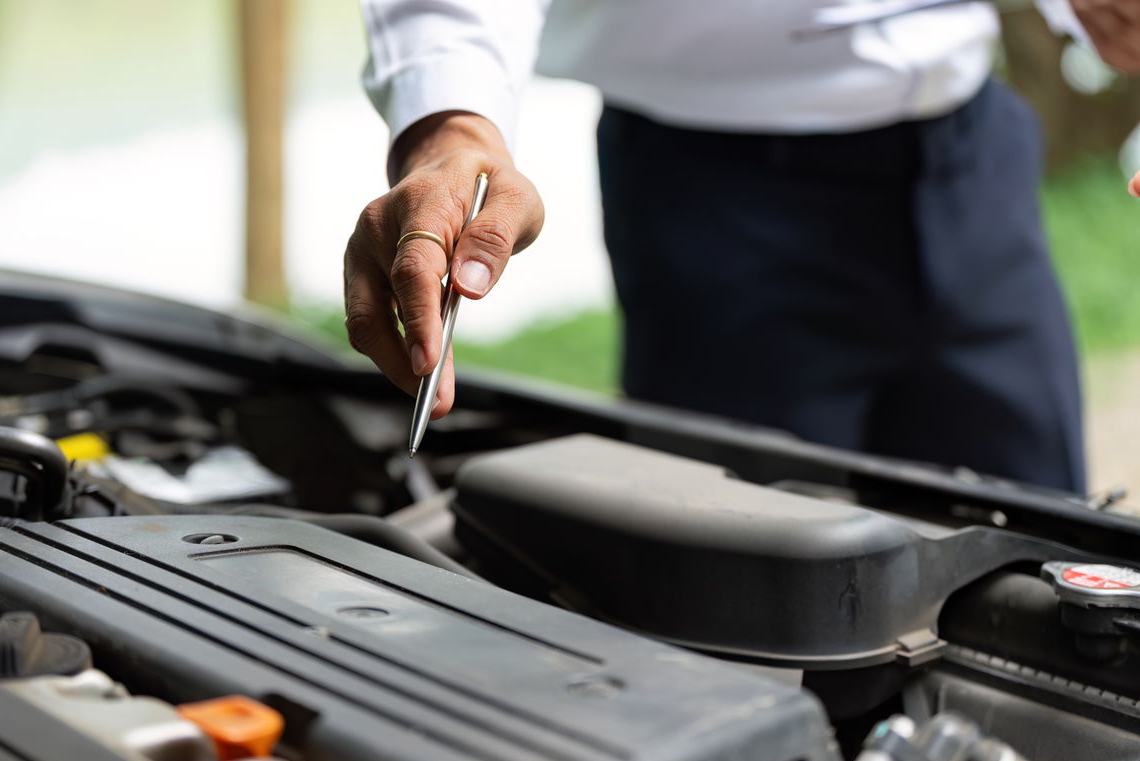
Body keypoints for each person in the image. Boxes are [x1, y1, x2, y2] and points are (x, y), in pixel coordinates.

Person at [346, 0, 1140, 494]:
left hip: (976, 161)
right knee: (744, 607)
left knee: (1042, 566)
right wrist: (448, 124)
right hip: (718, 199)